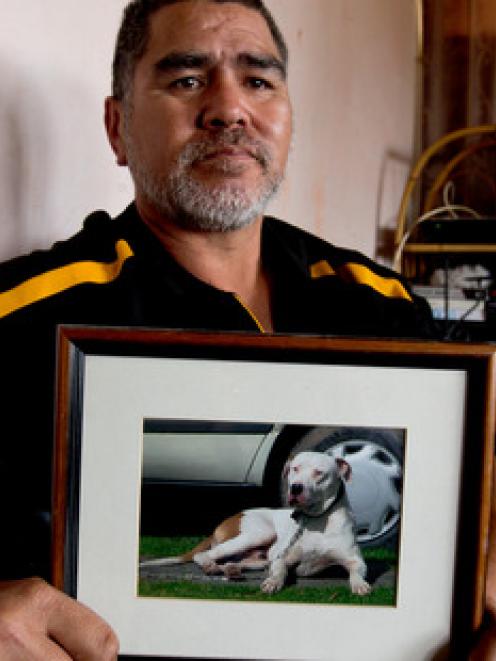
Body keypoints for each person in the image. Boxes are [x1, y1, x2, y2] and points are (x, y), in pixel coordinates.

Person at [0, 0, 493, 658]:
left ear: (287, 122)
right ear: (118, 129)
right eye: (186, 79)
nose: (229, 109)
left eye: (259, 80)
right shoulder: (19, 319)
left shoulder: (382, 306)